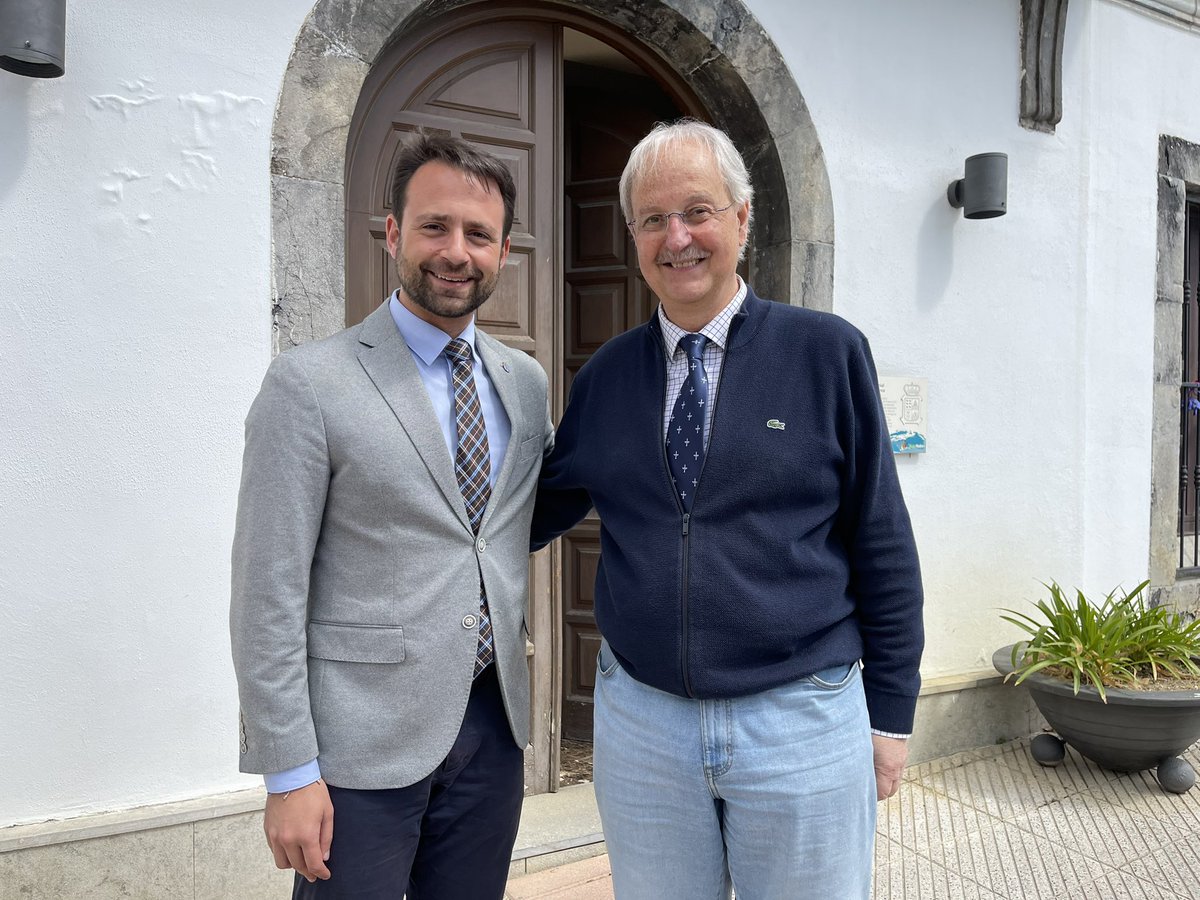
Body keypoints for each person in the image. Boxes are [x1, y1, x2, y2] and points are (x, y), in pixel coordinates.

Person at [532, 119, 924, 899]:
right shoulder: (606, 376)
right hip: (644, 728)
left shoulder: (827, 352)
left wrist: (890, 718)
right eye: (652, 219)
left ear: (743, 220)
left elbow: (881, 539)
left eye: (697, 211)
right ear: (635, 236)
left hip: (801, 721)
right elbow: (531, 511)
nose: (676, 237)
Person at [230, 133, 551, 899]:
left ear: (503, 252)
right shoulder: (308, 385)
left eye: (478, 235)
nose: (456, 251)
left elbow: (503, 529)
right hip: (357, 747)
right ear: (393, 234)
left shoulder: (526, 384)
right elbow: (266, 591)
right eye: (435, 226)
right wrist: (289, 770)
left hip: (491, 731)